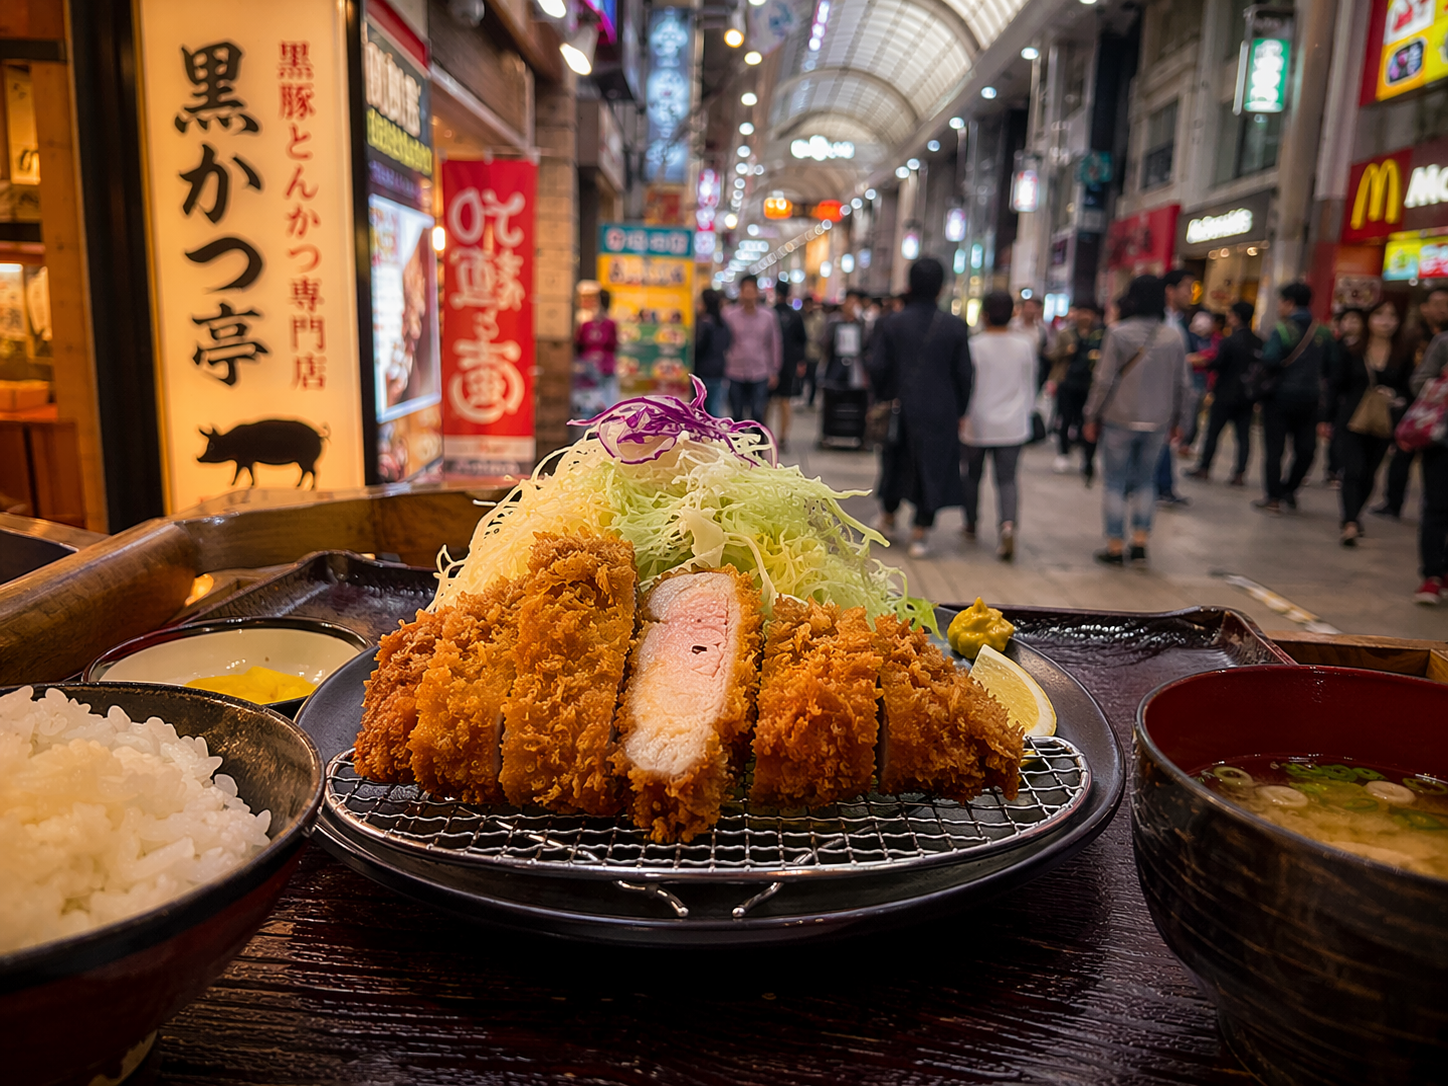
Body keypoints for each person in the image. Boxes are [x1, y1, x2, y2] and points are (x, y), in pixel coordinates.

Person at [866, 257, 973, 558]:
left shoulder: (890, 323)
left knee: (895, 464)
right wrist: (961, 410)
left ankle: (887, 518)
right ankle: (920, 533)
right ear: (941, 289)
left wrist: (883, 397)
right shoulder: (954, 326)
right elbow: (965, 374)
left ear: (909, 284)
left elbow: (877, 366)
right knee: (933, 467)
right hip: (941, 410)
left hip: (900, 407)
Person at [1082, 275, 1193, 566]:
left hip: (1119, 418)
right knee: (1146, 482)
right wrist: (1181, 421)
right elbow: (1183, 384)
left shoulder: (1118, 333)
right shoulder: (1174, 337)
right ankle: (1141, 543)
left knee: (1115, 483)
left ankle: (1115, 545)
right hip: (1158, 421)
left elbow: (1103, 381)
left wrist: (1091, 415)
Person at [1328, 299, 1414, 546]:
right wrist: (1326, 418)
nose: (1385, 321)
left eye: (1392, 316)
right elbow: (1336, 385)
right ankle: (1350, 521)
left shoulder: (1403, 354)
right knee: (1353, 470)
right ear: (1369, 319)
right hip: (1351, 419)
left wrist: (1396, 397)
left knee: (1369, 473)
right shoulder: (1352, 349)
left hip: (1384, 422)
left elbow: (1410, 389)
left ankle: (1355, 514)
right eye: (1379, 314)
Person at [960, 291, 1036, 561]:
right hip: (1013, 424)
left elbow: (966, 385)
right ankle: (1007, 526)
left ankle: (970, 523)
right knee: (1007, 480)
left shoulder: (974, 345)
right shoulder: (1024, 345)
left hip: (977, 421)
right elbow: (1030, 384)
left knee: (972, 476)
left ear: (984, 315)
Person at [1253, 282, 1336, 515]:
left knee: (1274, 450)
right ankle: (1289, 489)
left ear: (1289, 302)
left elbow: (1269, 360)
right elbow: (1332, 367)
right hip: (1310, 401)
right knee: (1306, 449)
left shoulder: (1282, 330)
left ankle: (1273, 498)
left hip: (1279, 399)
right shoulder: (1324, 332)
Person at [1375, 286, 1448, 517]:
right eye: (1436, 304)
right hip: (1413, 407)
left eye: (1445, 305)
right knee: (1402, 456)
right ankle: (1393, 502)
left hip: (1440, 417)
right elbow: (1415, 377)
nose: (1441, 310)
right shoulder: (1414, 335)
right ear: (1424, 307)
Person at [1188, 301, 1259, 485]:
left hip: (1225, 392)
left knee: (1213, 432)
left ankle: (1204, 468)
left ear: (1235, 317)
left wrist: (1203, 362)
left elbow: (1218, 363)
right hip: (1247, 395)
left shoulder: (1229, 341)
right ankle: (1239, 473)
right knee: (1243, 436)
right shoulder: (1259, 342)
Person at [1409, 329, 1448, 603]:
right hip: (1441, 440)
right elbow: (1418, 382)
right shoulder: (1444, 343)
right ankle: (1431, 576)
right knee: (1436, 507)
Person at [1049, 303, 1104, 484]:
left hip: (1090, 385)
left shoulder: (1101, 334)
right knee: (1065, 419)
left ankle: (1088, 459)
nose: (1086, 316)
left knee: (1087, 421)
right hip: (1067, 381)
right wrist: (1067, 351)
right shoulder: (1066, 333)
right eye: (1083, 312)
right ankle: (1063, 453)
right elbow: (1053, 354)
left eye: (1089, 312)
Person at [1155, 269, 1196, 506]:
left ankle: (1164, 486)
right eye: (1187, 288)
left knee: (1164, 444)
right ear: (1170, 291)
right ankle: (1160, 487)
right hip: (1161, 396)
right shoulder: (1163, 322)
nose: (1191, 294)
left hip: (1168, 397)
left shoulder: (1177, 322)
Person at [722, 275, 781, 424]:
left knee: (758, 412)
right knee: (736, 413)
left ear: (757, 291)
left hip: (760, 370)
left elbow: (774, 344)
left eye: (751, 289)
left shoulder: (768, 316)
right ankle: (737, 446)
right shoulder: (728, 314)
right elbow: (722, 342)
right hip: (734, 370)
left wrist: (774, 370)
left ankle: (757, 446)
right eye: (745, 289)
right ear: (740, 291)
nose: (748, 293)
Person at [1327, 308, 1369, 488]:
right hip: (1338, 400)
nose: (1350, 324)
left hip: (1361, 403)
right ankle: (1333, 469)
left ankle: (1342, 469)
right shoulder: (1335, 345)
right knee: (1336, 436)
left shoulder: (1366, 349)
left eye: (1355, 320)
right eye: (1346, 320)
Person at [769, 280, 809, 451]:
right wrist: (801, 361)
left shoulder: (769, 313)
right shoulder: (795, 315)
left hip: (770, 364)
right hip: (789, 363)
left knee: (768, 402)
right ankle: (783, 437)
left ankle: (764, 435)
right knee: (785, 401)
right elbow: (802, 340)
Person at [575, 289, 620, 407]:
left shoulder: (610, 324)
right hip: (588, 371)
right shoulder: (586, 325)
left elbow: (614, 345)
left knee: (606, 401)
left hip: (606, 369)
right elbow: (579, 345)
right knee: (588, 403)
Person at [693, 288, 731, 417]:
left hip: (703, 371)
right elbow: (727, 344)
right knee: (715, 410)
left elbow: (699, 347)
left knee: (702, 412)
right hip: (719, 370)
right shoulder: (722, 323)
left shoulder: (704, 323)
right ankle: (717, 436)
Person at [823, 290, 868, 389]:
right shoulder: (834, 320)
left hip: (854, 363)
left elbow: (865, 342)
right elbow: (825, 339)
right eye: (850, 302)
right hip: (836, 361)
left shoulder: (860, 323)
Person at [1010, 295, 1054, 388]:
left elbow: (1047, 348)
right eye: (1027, 307)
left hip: (1033, 367)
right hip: (1014, 364)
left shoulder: (1042, 329)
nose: (1029, 310)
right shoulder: (1012, 326)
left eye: (1032, 307)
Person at [802, 295, 827, 408]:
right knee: (803, 377)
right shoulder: (800, 317)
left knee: (812, 378)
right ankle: (802, 397)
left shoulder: (820, 318)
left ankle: (810, 400)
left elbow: (823, 334)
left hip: (815, 353)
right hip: (802, 352)